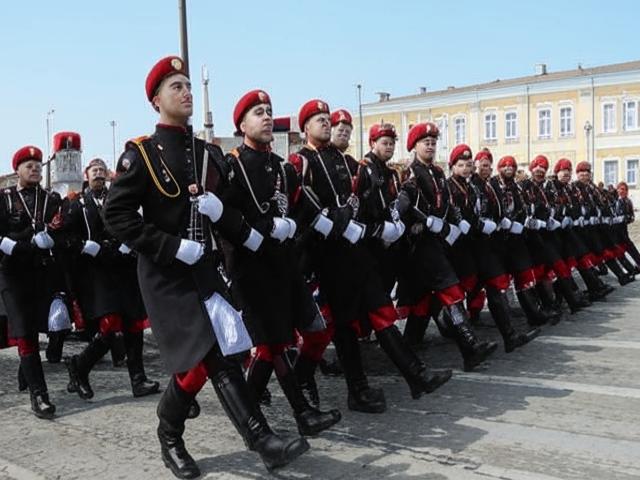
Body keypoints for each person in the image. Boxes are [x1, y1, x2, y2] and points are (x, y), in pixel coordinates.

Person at [104, 56, 308, 479]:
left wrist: (237, 224)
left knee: (207, 359)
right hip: (166, 275)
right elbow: (116, 216)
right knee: (214, 353)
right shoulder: (142, 154)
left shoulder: (208, 154)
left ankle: (169, 430)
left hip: (205, 270)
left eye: (188, 85)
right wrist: (170, 246)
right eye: (175, 86)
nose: (186, 92)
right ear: (156, 100)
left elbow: (232, 207)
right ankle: (262, 441)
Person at [223, 89, 341, 436]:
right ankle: (300, 413)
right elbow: (225, 217)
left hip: (283, 265)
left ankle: (252, 406)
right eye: (257, 112)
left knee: (285, 338)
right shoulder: (232, 165)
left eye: (268, 111)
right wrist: (261, 229)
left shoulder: (282, 167)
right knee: (272, 342)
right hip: (250, 268)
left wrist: (318, 224)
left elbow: (302, 205)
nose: (266, 117)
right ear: (241, 124)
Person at [393, 123, 497, 371]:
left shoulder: (438, 173)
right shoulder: (410, 173)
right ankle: (469, 346)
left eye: (433, 142)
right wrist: (426, 221)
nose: (430, 146)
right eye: (425, 142)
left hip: (437, 241)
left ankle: (410, 343)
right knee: (451, 290)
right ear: (414, 146)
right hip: (419, 243)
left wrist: (453, 223)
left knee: (424, 299)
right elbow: (404, 206)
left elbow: (448, 204)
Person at [63, 157, 159, 399]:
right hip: (98, 272)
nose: (98, 173)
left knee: (134, 324)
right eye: (94, 170)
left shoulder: (117, 198)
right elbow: (66, 236)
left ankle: (138, 379)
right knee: (110, 324)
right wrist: (84, 246)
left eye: (102, 170)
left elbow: (133, 223)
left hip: (124, 267)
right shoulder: (77, 204)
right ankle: (80, 366)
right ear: (86, 175)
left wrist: (131, 243)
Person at [0, 145, 65, 419]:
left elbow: (61, 229)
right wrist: (14, 244)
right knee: (24, 330)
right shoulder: (4, 199)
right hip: (12, 272)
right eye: (29, 165)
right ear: (17, 170)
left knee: (38, 328)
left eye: (38, 165)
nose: (35, 169)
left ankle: (25, 369)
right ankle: (40, 395)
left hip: (41, 271)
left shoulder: (51, 199)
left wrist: (53, 239)